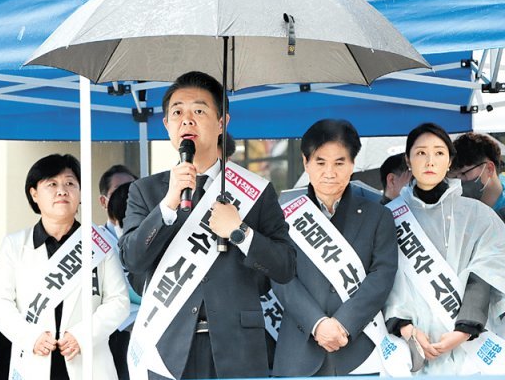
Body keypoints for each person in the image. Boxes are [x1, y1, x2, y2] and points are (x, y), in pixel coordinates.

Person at [119, 71, 295, 380]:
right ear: (167, 126)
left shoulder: (254, 190)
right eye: (177, 112)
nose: (187, 120)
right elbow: (132, 260)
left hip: (238, 350)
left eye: (199, 110)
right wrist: (167, 207)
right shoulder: (146, 191)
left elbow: (285, 267)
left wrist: (241, 233)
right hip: (167, 349)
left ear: (222, 122)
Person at [272, 119, 399, 376]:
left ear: (352, 164)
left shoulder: (378, 215)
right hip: (299, 350)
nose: (329, 172)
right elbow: (280, 276)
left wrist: (344, 323)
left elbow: (382, 276)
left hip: (360, 350)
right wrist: (317, 324)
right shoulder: (282, 216)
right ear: (306, 162)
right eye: (320, 162)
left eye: (339, 163)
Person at [0, 154, 130, 380]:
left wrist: (82, 336)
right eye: (52, 184)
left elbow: (118, 301)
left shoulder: (99, 243)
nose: (62, 190)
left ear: (80, 193)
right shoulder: (15, 244)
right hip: (34, 359)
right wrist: (30, 336)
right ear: (34, 194)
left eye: (70, 183)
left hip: (88, 361)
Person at [384, 123, 505, 375]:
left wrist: (464, 329)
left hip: (470, 351)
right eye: (421, 153)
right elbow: (382, 276)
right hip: (409, 351)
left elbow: (487, 273)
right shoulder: (387, 217)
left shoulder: (479, 215)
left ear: (450, 161)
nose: (430, 161)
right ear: (408, 160)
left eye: (439, 153)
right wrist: (406, 327)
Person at [98, 164, 139, 380]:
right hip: (113, 337)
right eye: (119, 191)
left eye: (133, 189)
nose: (126, 196)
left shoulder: (153, 233)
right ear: (104, 201)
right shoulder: (94, 241)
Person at [449, 132, 505, 220]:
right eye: (454, 177)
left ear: (489, 169)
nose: (458, 181)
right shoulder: (457, 210)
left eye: (463, 173)